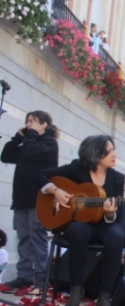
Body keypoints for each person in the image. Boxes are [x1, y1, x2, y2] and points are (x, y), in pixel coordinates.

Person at [32, 135, 125, 306]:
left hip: (104, 225)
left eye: (113, 150)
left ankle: (105, 294)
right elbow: (37, 175)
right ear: (95, 154)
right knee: (78, 230)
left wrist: (110, 213)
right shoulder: (76, 169)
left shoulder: (117, 178)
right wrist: (56, 191)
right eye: (109, 151)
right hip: (80, 223)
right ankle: (76, 290)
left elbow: (118, 211)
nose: (114, 155)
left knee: (117, 235)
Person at [1, 111, 59, 290]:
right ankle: (24, 275)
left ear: (43, 125)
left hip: (39, 199)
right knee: (23, 237)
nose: (28, 125)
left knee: (37, 237)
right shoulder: (27, 142)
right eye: (27, 122)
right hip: (21, 198)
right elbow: (6, 156)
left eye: (32, 122)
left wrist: (30, 136)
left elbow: (30, 152)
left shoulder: (49, 143)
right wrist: (17, 137)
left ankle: (41, 277)